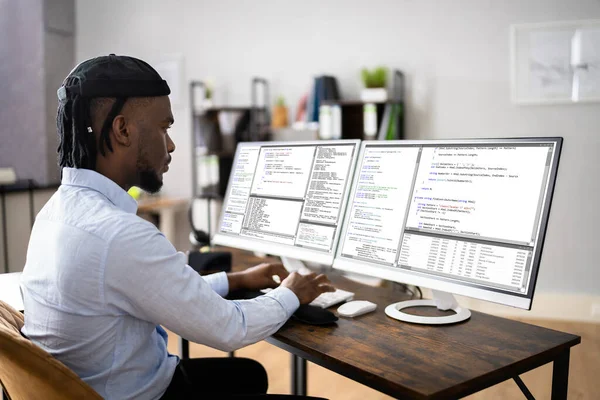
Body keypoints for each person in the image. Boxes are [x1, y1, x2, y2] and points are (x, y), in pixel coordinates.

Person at [20, 54, 334, 400]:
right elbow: (230, 328)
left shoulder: (55, 213)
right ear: (122, 130)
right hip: (142, 394)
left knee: (249, 374)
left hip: (99, 387)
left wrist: (234, 280)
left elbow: (155, 289)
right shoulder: (118, 235)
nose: (170, 145)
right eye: (163, 128)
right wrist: (291, 291)